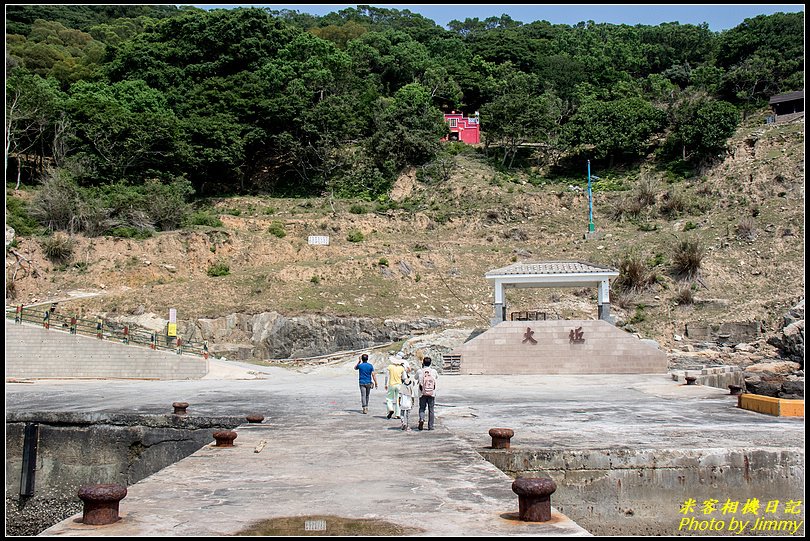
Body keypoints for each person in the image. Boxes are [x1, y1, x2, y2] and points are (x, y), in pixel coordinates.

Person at [417, 356, 439, 431]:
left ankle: (422, 419)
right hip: (431, 393)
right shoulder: (434, 371)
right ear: (430, 363)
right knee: (431, 409)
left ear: (423, 362)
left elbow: (415, 378)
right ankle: (431, 426)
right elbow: (437, 377)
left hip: (422, 393)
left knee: (422, 408)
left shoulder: (420, 371)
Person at [384, 353, 406, 419]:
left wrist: (385, 384)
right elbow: (404, 377)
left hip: (391, 384)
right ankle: (398, 414)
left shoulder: (390, 367)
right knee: (398, 399)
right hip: (399, 384)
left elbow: (386, 376)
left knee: (389, 399)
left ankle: (390, 409)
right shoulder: (402, 368)